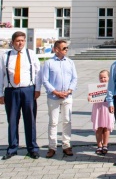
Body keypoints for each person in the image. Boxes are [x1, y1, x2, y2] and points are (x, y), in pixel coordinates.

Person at [0, 31, 41, 160]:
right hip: (11, 91)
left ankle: (32, 148)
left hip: (28, 90)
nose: (20, 43)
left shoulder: (31, 54)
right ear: (12, 42)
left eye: (22, 40)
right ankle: (12, 148)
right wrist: (1, 93)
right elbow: (1, 75)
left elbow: (38, 72)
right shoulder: (5, 56)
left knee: (30, 119)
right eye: (18, 41)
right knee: (12, 120)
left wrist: (37, 89)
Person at [42, 40, 78, 158]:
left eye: (67, 48)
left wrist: (69, 90)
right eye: (64, 48)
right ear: (56, 49)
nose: (66, 50)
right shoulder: (49, 63)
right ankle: (52, 147)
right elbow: (45, 80)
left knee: (67, 120)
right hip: (54, 96)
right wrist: (55, 92)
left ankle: (66, 145)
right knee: (53, 122)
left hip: (67, 96)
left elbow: (74, 78)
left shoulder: (70, 62)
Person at [88, 70, 114, 155]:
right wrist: (90, 97)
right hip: (98, 108)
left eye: (104, 77)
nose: (103, 79)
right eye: (101, 78)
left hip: (107, 108)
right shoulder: (97, 87)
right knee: (99, 127)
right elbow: (91, 96)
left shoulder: (112, 86)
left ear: (109, 78)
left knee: (106, 127)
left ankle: (105, 145)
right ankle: (99, 145)